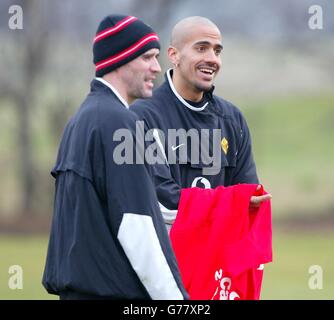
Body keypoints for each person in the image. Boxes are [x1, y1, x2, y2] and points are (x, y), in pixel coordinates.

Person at [42, 14, 188, 300]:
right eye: (148, 57)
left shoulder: (81, 120)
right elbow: (137, 225)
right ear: (120, 60)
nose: (157, 68)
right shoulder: (121, 124)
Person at [132, 16, 271, 229]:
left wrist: (238, 203)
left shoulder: (232, 119)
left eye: (217, 51)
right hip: (164, 259)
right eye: (201, 48)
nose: (212, 59)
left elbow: (249, 196)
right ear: (174, 55)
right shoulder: (143, 116)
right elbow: (161, 202)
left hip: (217, 260)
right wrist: (231, 203)